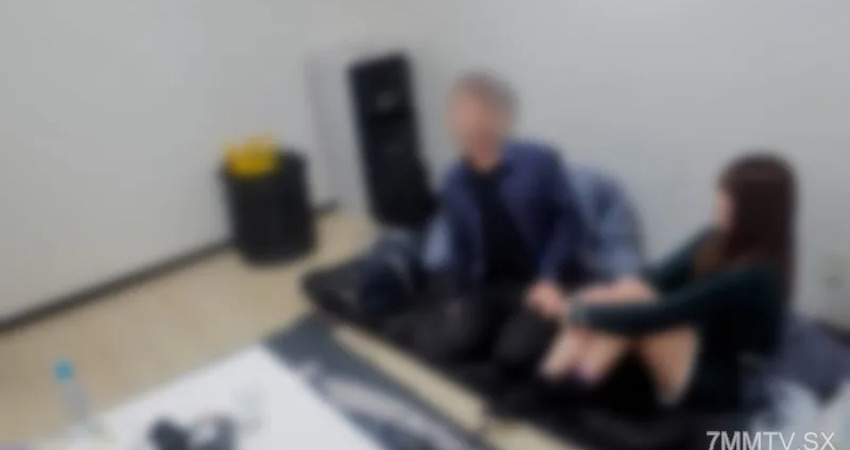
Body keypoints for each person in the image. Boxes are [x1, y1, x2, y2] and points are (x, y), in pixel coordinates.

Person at [541, 153, 796, 410]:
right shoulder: (714, 238)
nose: (718, 202)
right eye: (722, 193)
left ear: (755, 212)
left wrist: (578, 311)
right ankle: (565, 381)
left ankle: (560, 386)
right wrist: (594, 301)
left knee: (628, 307)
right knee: (626, 292)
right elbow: (653, 279)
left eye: (729, 197)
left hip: (724, 379)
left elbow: (663, 313)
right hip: (698, 343)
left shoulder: (757, 277)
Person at [431, 72, 584, 374]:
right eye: (457, 113)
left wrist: (550, 277)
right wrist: (458, 296)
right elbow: (460, 245)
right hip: (489, 284)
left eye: (474, 111)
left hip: (540, 281)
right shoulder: (453, 181)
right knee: (458, 343)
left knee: (514, 355)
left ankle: (556, 321)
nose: (465, 123)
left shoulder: (539, 161)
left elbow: (570, 224)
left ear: (498, 117)